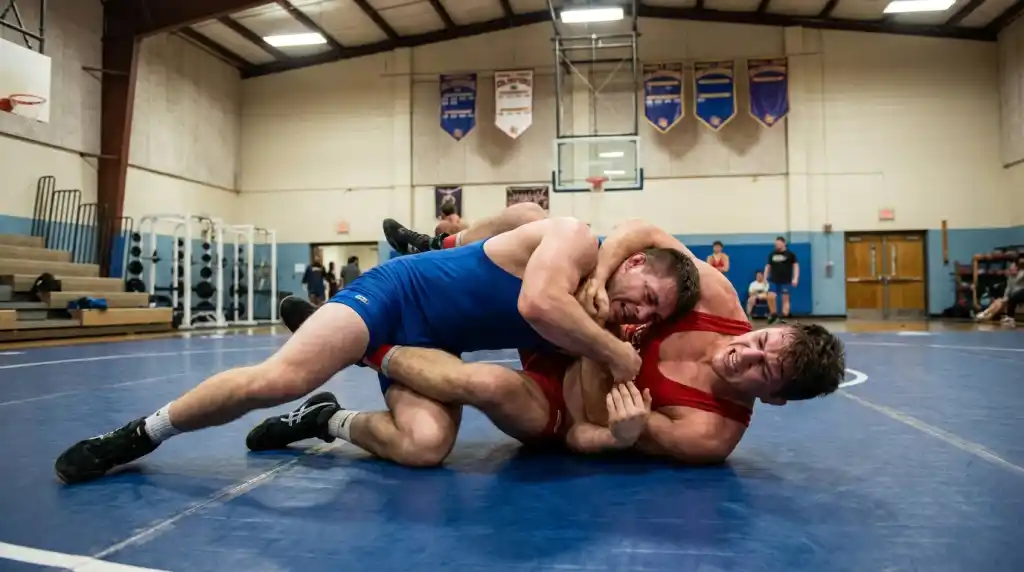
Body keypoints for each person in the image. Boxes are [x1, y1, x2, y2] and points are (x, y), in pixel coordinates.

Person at [54, 210, 699, 483]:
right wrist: (617, 354)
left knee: (425, 449)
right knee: (279, 377)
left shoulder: (598, 312)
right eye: (645, 293)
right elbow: (535, 305)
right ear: (633, 259)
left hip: (431, 346)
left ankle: (325, 420)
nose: (639, 313)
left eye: (652, 315)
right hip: (394, 295)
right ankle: (142, 433)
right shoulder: (576, 240)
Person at [270, 216, 844, 463]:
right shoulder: (719, 300)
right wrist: (597, 278)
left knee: (484, 383)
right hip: (574, 334)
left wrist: (620, 439)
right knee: (531, 218)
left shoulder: (707, 433)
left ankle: (337, 399)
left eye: (764, 370)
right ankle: (438, 249)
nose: (747, 352)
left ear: (774, 399)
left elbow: (584, 441)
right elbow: (639, 232)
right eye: (765, 340)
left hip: (563, 409)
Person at [974, 253, 1023, 327]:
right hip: (1012, 294)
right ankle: (986, 313)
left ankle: (986, 314)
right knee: (1000, 301)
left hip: (1019, 293)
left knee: (1006, 299)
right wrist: (1005, 297)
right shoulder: (1012, 274)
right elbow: (1009, 287)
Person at [764, 236, 798, 319]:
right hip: (774, 280)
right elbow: (768, 266)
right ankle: (773, 314)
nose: (776, 245)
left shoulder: (790, 254)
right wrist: (765, 277)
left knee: (785, 299)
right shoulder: (772, 254)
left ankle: (784, 315)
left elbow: (796, 266)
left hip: (786, 280)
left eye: (778, 244)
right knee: (770, 296)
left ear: (784, 243)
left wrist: (795, 278)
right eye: (775, 244)